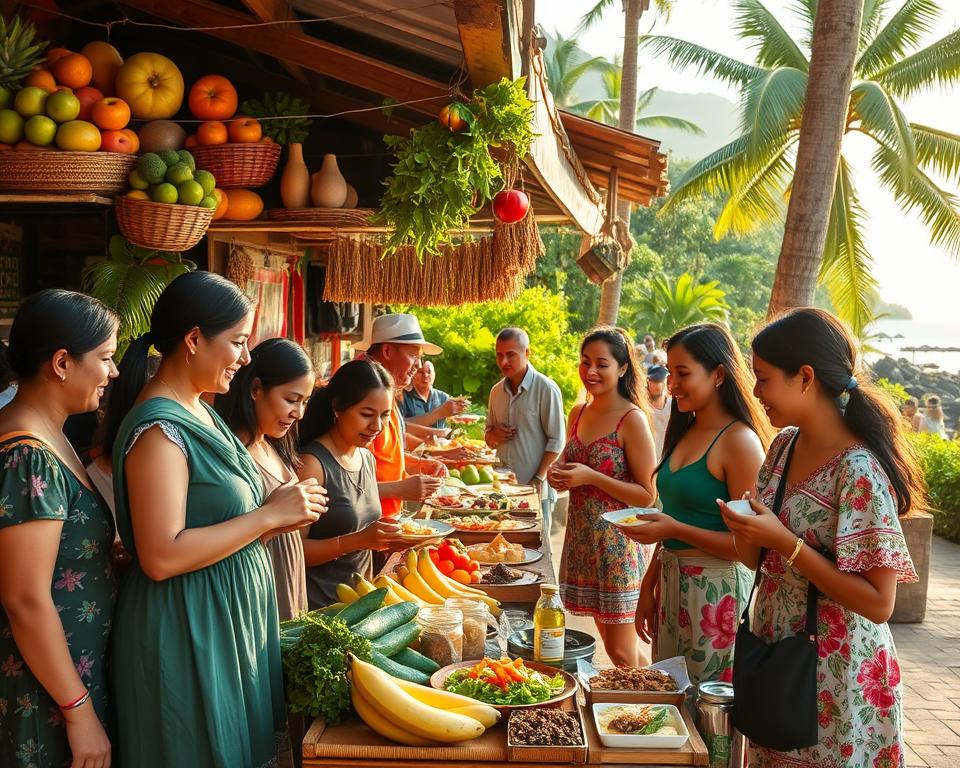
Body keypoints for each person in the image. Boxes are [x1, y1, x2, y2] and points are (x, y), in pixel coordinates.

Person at [106, 272, 326, 768]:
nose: (246, 358)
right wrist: (268, 516)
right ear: (193, 340)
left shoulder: (200, 410)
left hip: (224, 621)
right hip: (188, 627)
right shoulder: (160, 429)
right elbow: (161, 556)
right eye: (239, 342)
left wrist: (274, 514)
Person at [718, 308, 919, 767]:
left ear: (805, 377)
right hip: (777, 660)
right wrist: (747, 530)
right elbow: (760, 561)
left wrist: (788, 543)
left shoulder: (858, 469)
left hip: (836, 676)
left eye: (764, 378)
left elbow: (878, 603)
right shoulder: (783, 445)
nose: (754, 392)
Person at [0, 291, 118, 768]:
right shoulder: (28, 455)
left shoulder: (52, 437)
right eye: (106, 357)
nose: (113, 372)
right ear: (62, 363)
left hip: (64, 682)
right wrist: (77, 711)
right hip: (43, 694)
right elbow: (24, 597)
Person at [625, 323, 769, 684]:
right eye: (670, 372)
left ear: (718, 374)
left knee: (707, 709)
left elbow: (747, 548)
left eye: (683, 373)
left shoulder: (739, 442)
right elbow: (672, 519)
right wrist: (648, 586)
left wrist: (674, 529)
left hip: (715, 595)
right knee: (672, 701)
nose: (671, 384)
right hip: (672, 585)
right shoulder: (686, 430)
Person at [552, 327, 657, 667]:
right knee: (616, 650)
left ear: (623, 368)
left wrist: (591, 477)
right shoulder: (578, 412)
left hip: (618, 547)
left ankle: (651, 712)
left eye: (602, 364)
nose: (591, 372)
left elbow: (647, 495)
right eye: (585, 362)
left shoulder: (632, 419)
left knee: (622, 653)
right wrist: (559, 472)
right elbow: (568, 461)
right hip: (583, 542)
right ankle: (653, 700)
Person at [216, 338, 317, 621]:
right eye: (291, 400)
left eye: (305, 402)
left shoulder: (271, 444)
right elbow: (227, 544)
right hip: (259, 592)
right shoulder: (234, 453)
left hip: (288, 583)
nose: (298, 414)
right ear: (256, 389)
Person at [297, 359, 410, 608]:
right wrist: (358, 540)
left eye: (385, 416)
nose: (377, 427)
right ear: (337, 408)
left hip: (362, 608)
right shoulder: (313, 464)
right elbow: (293, 551)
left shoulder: (366, 457)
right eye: (366, 415)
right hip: (321, 613)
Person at [354, 314, 446, 519]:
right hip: (366, 524)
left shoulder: (389, 392)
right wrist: (399, 489)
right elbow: (347, 481)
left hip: (388, 519)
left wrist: (420, 465)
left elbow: (385, 456)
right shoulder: (361, 396)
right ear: (387, 351)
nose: (419, 366)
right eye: (414, 355)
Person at [486, 327, 565, 540]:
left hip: (535, 490)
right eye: (499, 355)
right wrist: (494, 435)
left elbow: (557, 441)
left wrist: (537, 480)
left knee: (537, 548)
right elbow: (488, 439)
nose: (504, 362)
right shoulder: (496, 392)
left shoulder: (546, 389)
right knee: (502, 547)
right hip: (501, 491)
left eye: (511, 354)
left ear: (527, 353)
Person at [401, 360, 469, 429]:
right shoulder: (402, 397)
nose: (425, 375)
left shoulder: (443, 397)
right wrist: (439, 413)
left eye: (429, 372)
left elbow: (453, 418)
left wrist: (461, 413)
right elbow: (400, 424)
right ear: (413, 374)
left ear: (434, 374)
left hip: (442, 439)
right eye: (420, 372)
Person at [646, 364, 671, 457]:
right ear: (648, 382)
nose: (658, 384)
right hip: (651, 461)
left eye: (660, 380)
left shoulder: (674, 406)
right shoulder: (642, 409)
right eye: (654, 380)